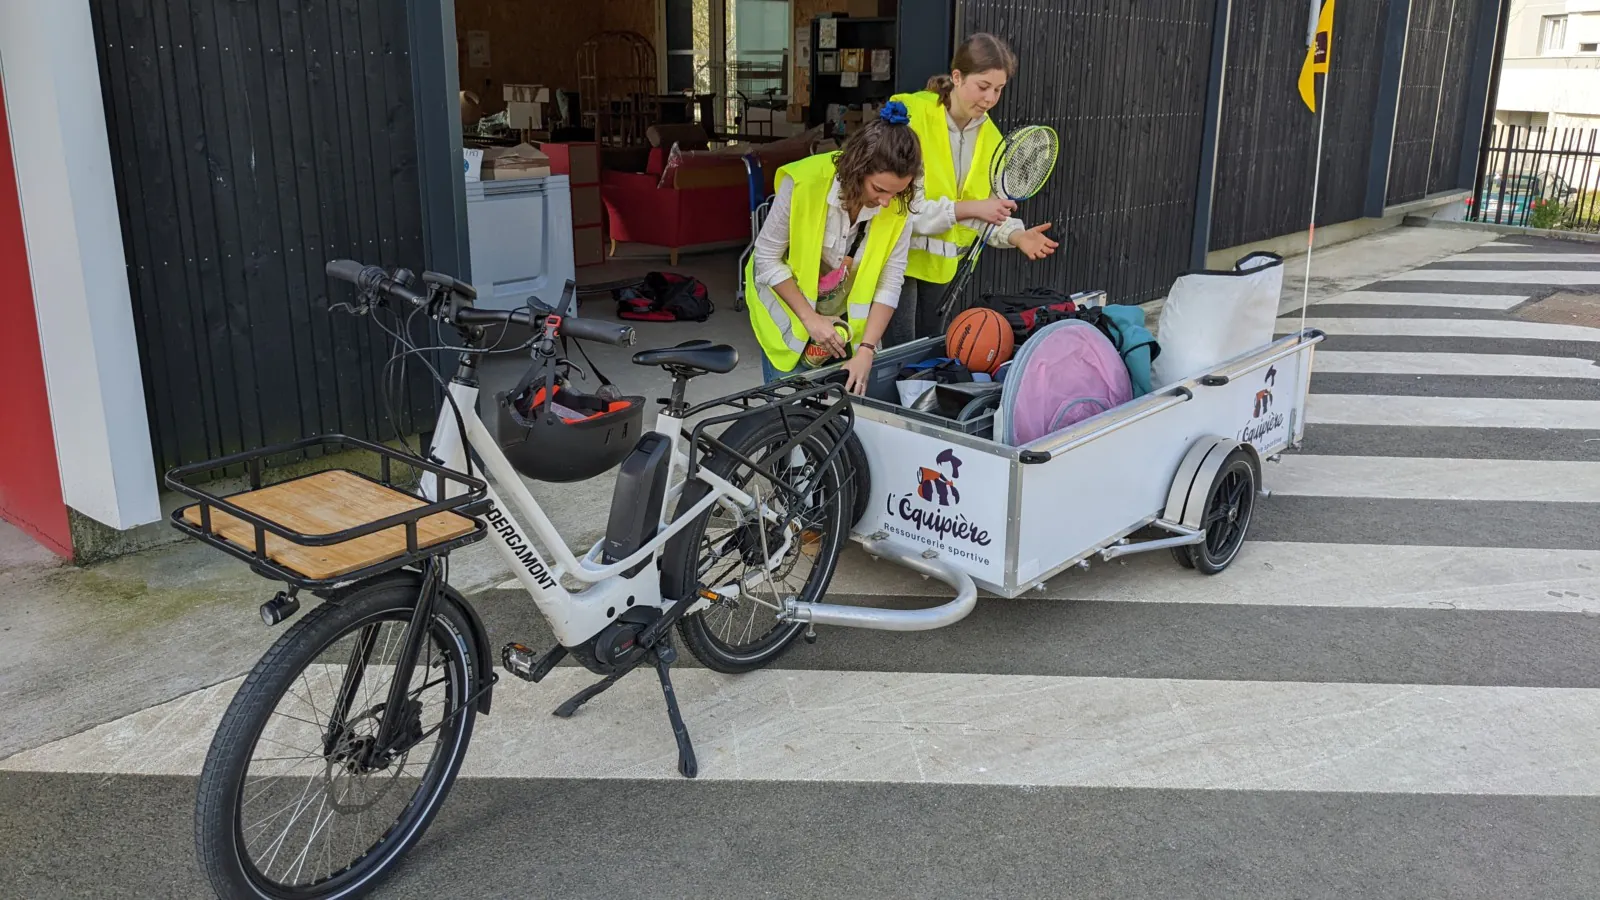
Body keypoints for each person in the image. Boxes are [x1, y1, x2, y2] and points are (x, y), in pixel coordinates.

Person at [886, 33, 1059, 344]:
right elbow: (904, 208)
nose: (990, 98)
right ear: (957, 77)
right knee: (897, 357)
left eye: (999, 89)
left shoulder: (994, 140)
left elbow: (988, 212)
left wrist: (1017, 235)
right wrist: (971, 209)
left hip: (943, 268)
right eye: (983, 86)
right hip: (895, 256)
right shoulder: (910, 114)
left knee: (926, 357)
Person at [746, 101, 921, 394]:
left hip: (843, 330)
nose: (887, 202)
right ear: (857, 170)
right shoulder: (803, 183)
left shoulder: (899, 205)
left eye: (897, 191)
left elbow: (890, 281)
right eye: (879, 189)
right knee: (783, 421)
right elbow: (765, 256)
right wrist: (810, 319)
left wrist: (866, 349)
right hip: (786, 313)